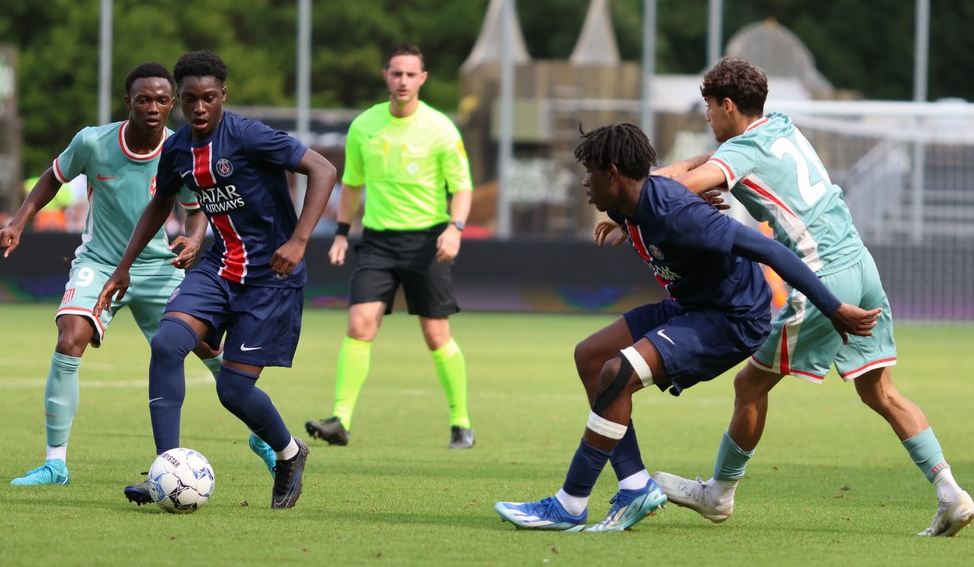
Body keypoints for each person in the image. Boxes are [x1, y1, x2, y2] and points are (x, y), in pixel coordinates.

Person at [494, 123, 880, 532]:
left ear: (612, 172)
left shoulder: (681, 215)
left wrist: (833, 307)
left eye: (590, 171)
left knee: (617, 372)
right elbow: (685, 167)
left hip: (732, 318)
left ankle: (569, 503)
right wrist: (629, 224)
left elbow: (767, 248)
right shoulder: (623, 201)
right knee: (591, 358)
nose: (584, 182)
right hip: (690, 305)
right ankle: (635, 485)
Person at [648, 55, 973, 538]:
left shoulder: (742, 153)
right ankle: (951, 493)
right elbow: (696, 167)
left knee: (749, 387)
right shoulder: (779, 126)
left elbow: (680, 191)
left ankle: (719, 493)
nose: (707, 117)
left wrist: (634, 196)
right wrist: (674, 172)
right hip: (862, 265)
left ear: (729, 105)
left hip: (823, 275)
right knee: (879, 390)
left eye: (710, 108)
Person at [0, 62, 270, 487]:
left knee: (208, 347)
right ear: (128, 103)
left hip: (158, 268)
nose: (154, 107)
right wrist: (17, 222)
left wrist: (196, 240)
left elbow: (197, 209)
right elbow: (52, 178)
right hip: (100, 264)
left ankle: (263, 436)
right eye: (144, 99)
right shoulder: (93, 141)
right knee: (70, 337)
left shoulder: (181, 149)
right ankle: (55, 464)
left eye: (163, 99)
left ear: (172, 103)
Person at [94, 50, 337, 509]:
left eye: (209, 98)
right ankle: (165, 470)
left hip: (270, 278)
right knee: (167, 344)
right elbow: (160, 204)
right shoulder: (178, 147)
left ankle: (289, 453)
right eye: (190, 100)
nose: (199, 108)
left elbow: (323, 169)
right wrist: (122, 266)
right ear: (180, 102)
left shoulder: (248, 135)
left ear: (223, 95)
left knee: (232, 390)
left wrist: (300, 240)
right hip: (220, 267)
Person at [305, 43, 475, 450]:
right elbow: (352, 185)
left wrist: (455, 228)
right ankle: (340, 420)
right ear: (386, 76)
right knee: (359, 325)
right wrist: (342, 232)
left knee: (436, 335)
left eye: (410, 74)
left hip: (429, 242)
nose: (402, 81)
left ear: (422, 79)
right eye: (396, 73)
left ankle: (461, 422)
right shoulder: (364, 126)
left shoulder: (440, 128)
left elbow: (463, 186)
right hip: (378, 242)